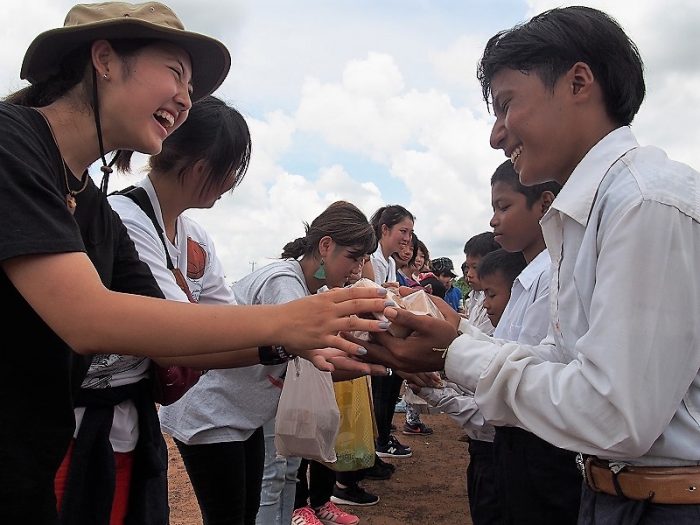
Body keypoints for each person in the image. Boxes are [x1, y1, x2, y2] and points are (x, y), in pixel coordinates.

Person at [0, 3, 389, 522]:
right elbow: (88, 319)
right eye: (176, 74)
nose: (185, 100)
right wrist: (288, 321)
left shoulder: (91, 201)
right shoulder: (11, 141)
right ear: (105, 59)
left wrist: (292, 343)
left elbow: (165, 332)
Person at [369, 6, 700, 524]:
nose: (496, 136)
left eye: (506, 106)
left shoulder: (645, 204)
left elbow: (615, 413)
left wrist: (454, 352)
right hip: (614, 494)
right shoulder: (589, 214)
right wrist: (457, 338)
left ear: (579, 82)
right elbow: (567, 361)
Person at [229, 200, 383, 525]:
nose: (358, 269)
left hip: (258, 401)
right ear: (326, 246)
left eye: (364, 260)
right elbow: (305, 344)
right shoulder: (285, 282)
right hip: (228, 410)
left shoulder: (313, 287)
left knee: (285, 473)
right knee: (271, 481)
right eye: (353, 258)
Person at [487, 160, 579, 524]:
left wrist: (453, 348)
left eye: (503, 206)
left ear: (544, 204)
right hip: (518, 442)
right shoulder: (528, 278)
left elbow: (534, 366)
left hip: (539, 445)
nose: (494, 219)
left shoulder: (551, 275)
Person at [405, 248, 526, 525]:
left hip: (493, 452)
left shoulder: (514, 344)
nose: (485, 304)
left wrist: (437, 390)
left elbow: (487, 414)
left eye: (491, 295)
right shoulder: (502, 336)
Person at [364, 205, 415, 462]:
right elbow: (369, 292)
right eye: (403, 231)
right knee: (378, 392)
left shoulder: (390, 261)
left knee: (387, 388)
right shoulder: (371, 258)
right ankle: (377, 444)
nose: (407, 238)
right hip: (372, 335)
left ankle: (381, 440)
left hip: (385, 331)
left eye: (410, 232)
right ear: (385, 229)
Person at [462, 232, 500, 334]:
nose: (469, 274)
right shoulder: (481, 297)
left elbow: (481, 337)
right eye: (468, 268)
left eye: (475, 267)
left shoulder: (499, 302)